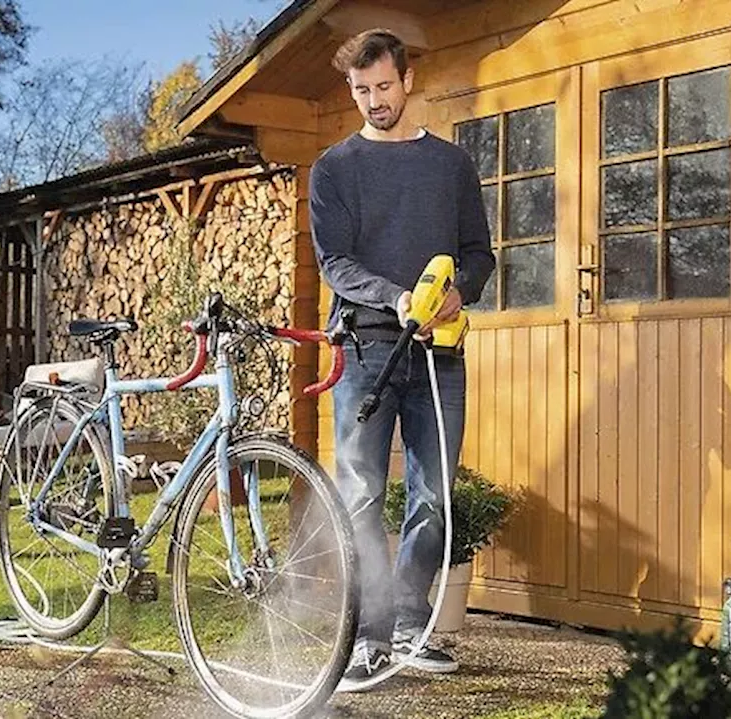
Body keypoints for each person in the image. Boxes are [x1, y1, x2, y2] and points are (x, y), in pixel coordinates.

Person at [309, 28, 495, 685]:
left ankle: (413, 626)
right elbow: (336, 263)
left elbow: (480, 252)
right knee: (360, 492)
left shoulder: (450, 166)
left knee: (433, 495)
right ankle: (366, 636)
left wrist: (456, 292)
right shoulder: (335, 169)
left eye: (384, 86)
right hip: (364, 348)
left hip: (439, 354)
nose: (374, 100)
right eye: (361, 90)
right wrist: (398, 298)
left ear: (408, 81)